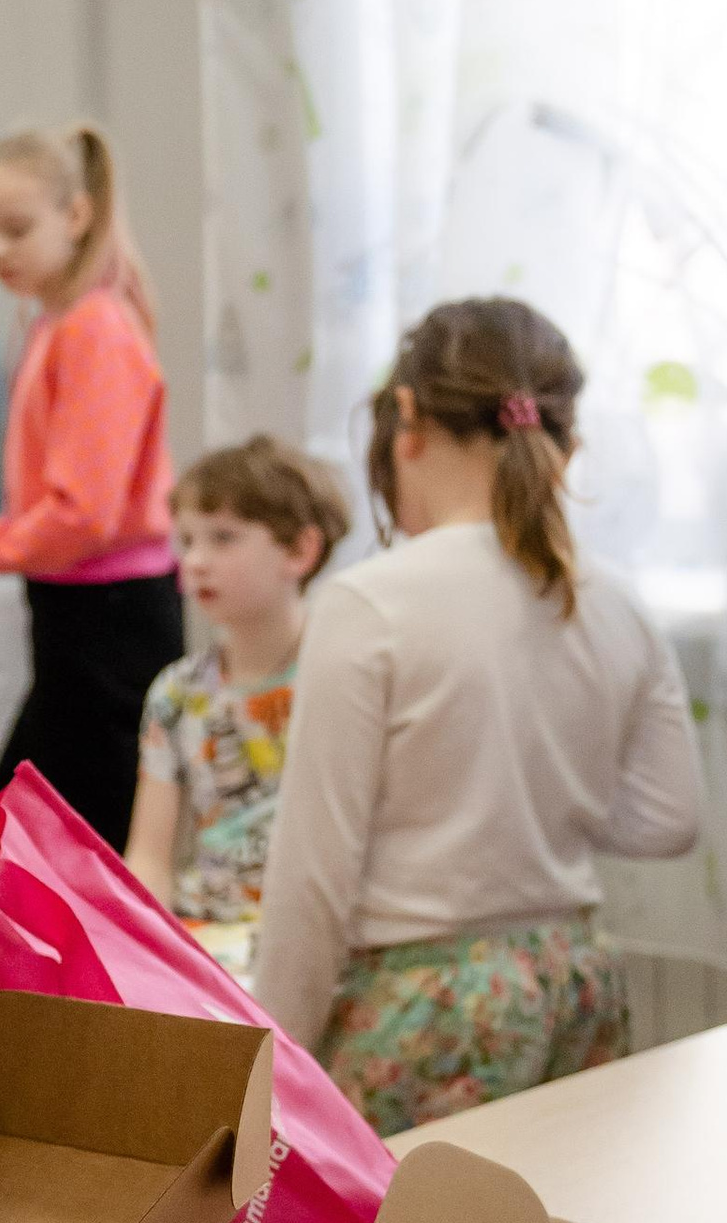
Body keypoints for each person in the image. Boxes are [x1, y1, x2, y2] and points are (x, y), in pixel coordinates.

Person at [252, 299, 701, 1133]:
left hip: (426, 1009)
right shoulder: (619, 605)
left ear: (410, 417)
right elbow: (671, 820)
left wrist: (268, 1074)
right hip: (578, 985)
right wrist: (534, 800)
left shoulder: (369, 603)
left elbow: (315, 877)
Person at [0, 124, 180, 853]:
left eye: (16, 230)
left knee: (29, 849)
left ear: (76, 217)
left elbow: (86, 512)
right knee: (17, 846)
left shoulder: (93, 330)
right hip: (78, 613)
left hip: (107, 621)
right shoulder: (54, 325)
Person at [125, 439, 353, 980]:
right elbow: (150, 856)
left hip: (316, 938)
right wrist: (141, 942)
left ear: (300, 551)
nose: (196, 561)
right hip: (208, 937)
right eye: (186, 541)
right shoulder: (176, 693)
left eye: (224, 538)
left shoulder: (343, 676)